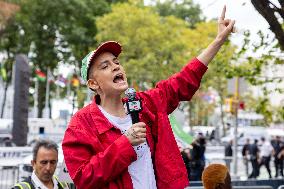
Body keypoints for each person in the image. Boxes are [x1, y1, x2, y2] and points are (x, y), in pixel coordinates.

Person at [62, 6, 235, 189]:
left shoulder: (145, 104)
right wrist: (124, 144)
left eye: (117, 62)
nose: (116, 67)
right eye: (105, 66)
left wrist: (218, 40)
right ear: (93, 84)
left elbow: (184, 80)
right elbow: (83, 178)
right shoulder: (81, 125)